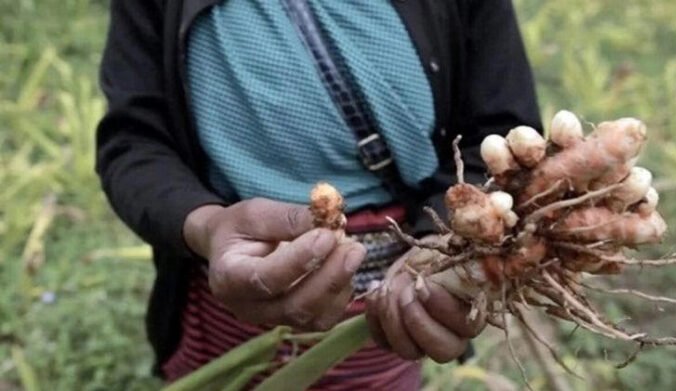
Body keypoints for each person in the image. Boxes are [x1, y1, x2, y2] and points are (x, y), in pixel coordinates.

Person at [96, 0, 542, 389]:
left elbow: (499, 133)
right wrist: (206, 225)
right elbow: (134, 142)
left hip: (391, 310)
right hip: (230, 297)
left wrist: (441, 245)